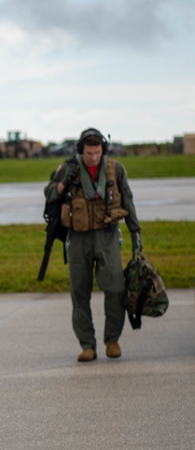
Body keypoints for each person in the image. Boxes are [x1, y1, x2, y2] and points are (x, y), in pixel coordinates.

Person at [45, 127, 141, 362]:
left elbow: (128, 200)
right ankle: (87, 345)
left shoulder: (115, 169)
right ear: (81, 151)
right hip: (78, 238)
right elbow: (50, 194)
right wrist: (62, 183)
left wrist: (135, 235)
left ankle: (112, 340)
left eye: (97, 153)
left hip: (107, 236)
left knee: (116, 289)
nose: (93, 157)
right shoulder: (68, 167)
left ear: (103, 150)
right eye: (89, 153)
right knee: (79, 292)